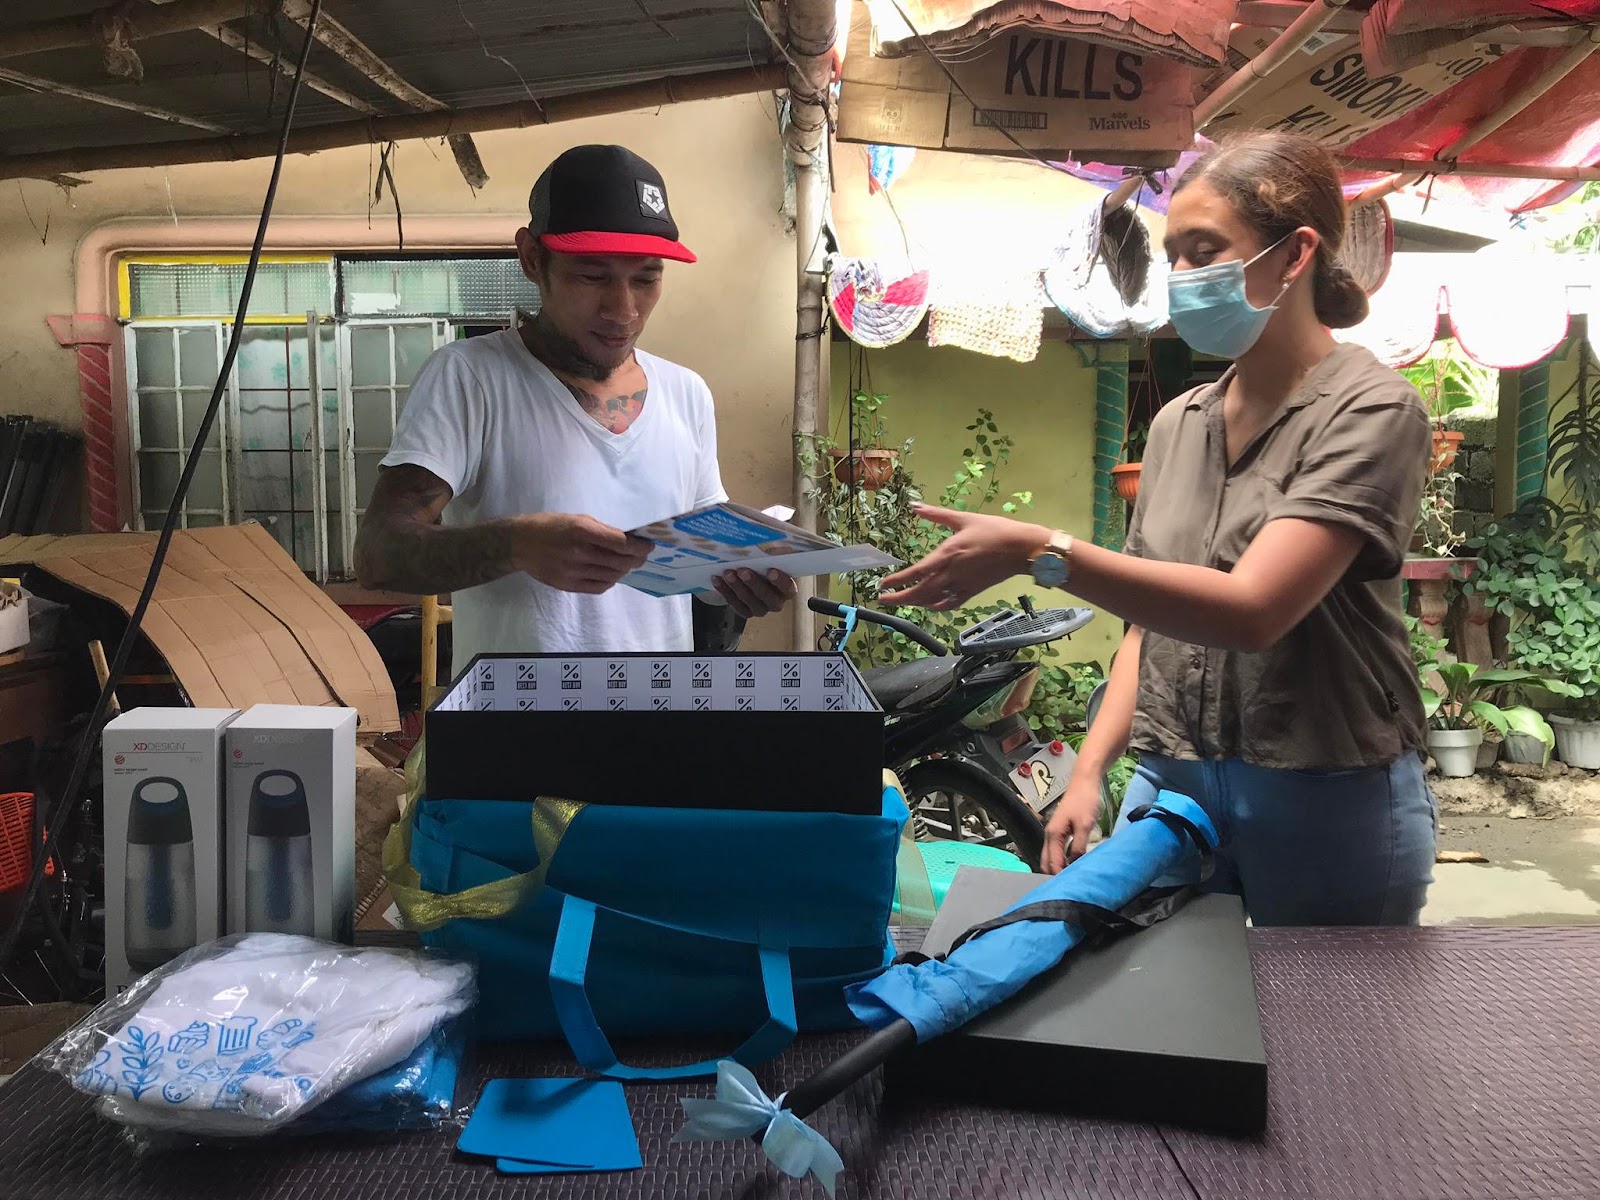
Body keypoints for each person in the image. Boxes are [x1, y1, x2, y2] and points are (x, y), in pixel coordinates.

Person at [879, 132, 1435, 926]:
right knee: (1161, 998)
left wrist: (1039, 551)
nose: (1180, 276)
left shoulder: (1372, 410)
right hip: (1173, 785)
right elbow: (1149, 626)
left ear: (1295, 253)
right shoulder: (1180, 423)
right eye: (1172, 255)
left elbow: (1253, 610)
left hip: (1327, 792)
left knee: (1326, 1007)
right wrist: (1089, 772)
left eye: (1204, 252)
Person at [355, 144, 796, 667]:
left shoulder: (687, 393)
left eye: (646, 278)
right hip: (523, 716)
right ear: (531, 258)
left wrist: (737, 582)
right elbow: (378, 554)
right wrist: (516, 544)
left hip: (662, 711)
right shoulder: (471, 378)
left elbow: (700, 571)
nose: (623, 309)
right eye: (592, 276)